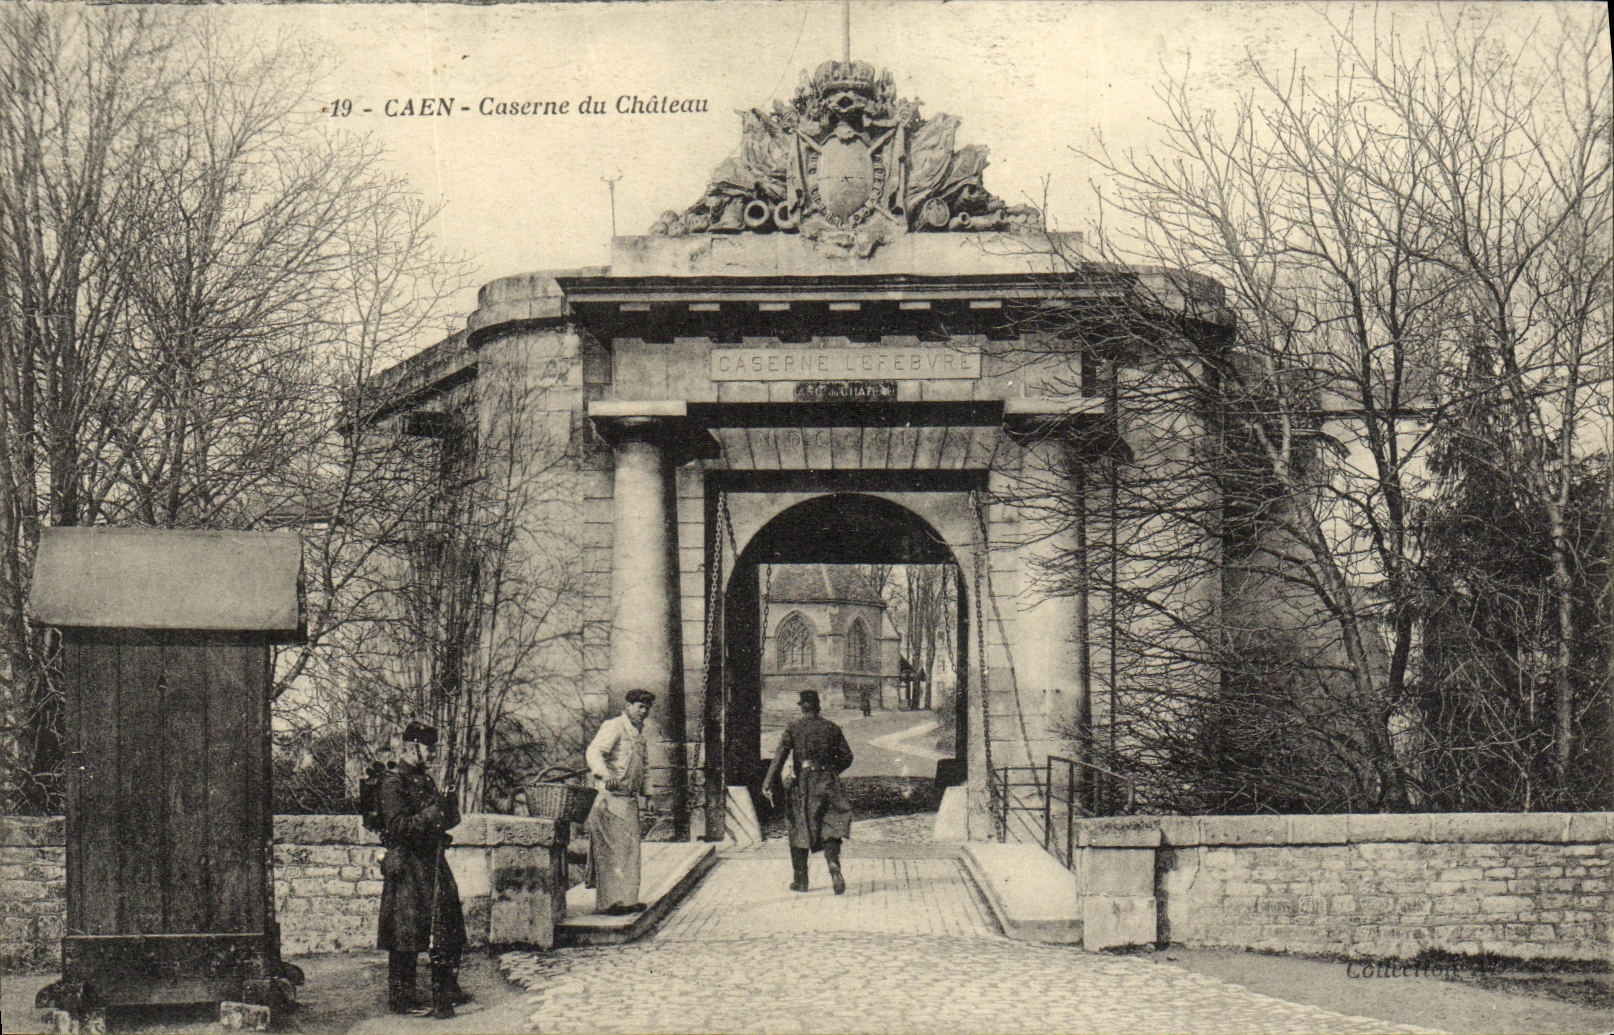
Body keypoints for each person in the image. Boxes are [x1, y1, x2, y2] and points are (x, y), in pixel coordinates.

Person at [377, 721, 469, 1020]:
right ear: (411, 747)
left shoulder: (425, 780)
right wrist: (433, 812)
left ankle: (448, 988)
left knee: (449, 923)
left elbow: (442, 820)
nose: (433, 754)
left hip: (432, 862)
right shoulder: (393, 782)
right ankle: (402, 998)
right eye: (429, 749)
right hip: (407, 865)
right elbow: (398, 827)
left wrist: (448, 807)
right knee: (406, 933)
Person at [763, 690, 854, 895]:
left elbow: (779, 757)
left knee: (799, 827)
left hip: (804, 783)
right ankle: (833, 863)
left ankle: (801, 880)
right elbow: (847, 756)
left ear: (802, 707)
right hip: (828, 781)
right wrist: (832, 772)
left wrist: (767, 783)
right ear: (818, 706)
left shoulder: (793, 727)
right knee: (830, 824)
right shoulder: (831, 727)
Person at [585, 689, 655, 915]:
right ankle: (611, 902)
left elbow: (644, 767)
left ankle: (628, 900)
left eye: (646, 707)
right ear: (628, 706)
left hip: (629, 801)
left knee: (631, 850)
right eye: (640, 706)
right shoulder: (614, 726)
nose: (643, 711)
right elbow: (594, 751)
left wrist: (649, 795)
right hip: (609, 800)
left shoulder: (639, 735)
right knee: (612, 852)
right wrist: (605, 775)